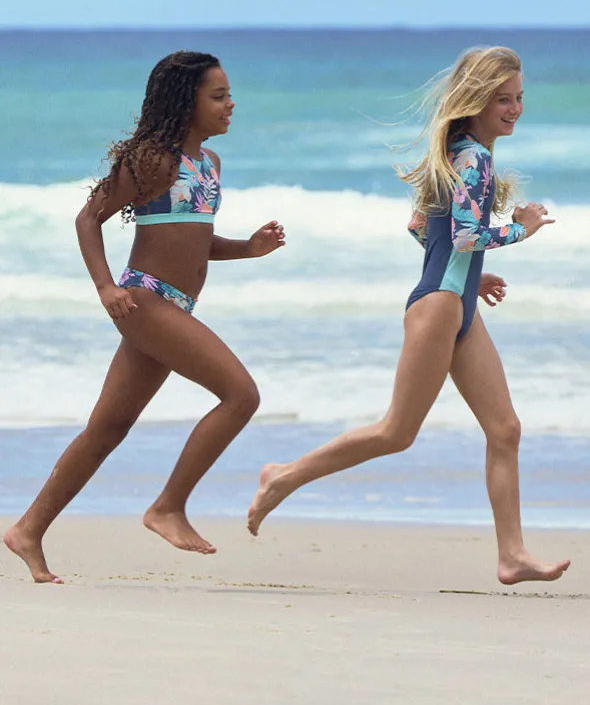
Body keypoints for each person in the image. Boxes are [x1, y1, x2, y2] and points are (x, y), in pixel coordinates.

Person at [247, 46, 570, 585]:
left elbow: (422, 228)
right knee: (396, 432)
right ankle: (283, 476)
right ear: (475, 100)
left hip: (454, 300)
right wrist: (523, 228)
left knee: (505, 429)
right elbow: (465, 235)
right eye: (502, 99)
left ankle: (512, 555)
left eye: (518, 98)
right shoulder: (473, 158)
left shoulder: (455, 153)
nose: (514, 109)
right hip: (440, 307)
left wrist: (469, 276)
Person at [4, 51, 285, 584]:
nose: (230, 104)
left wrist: (248, 249)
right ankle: (168, 506)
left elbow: (195, 241)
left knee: (109, 426)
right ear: (186, 101)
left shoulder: (209, 164)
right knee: (241, 395)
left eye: (229, 95)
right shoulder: (154, 160)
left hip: (175, 304)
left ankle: (28, 529)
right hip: (144, 300)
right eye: (218, 96)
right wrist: (105, 286)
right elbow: (89, 218)